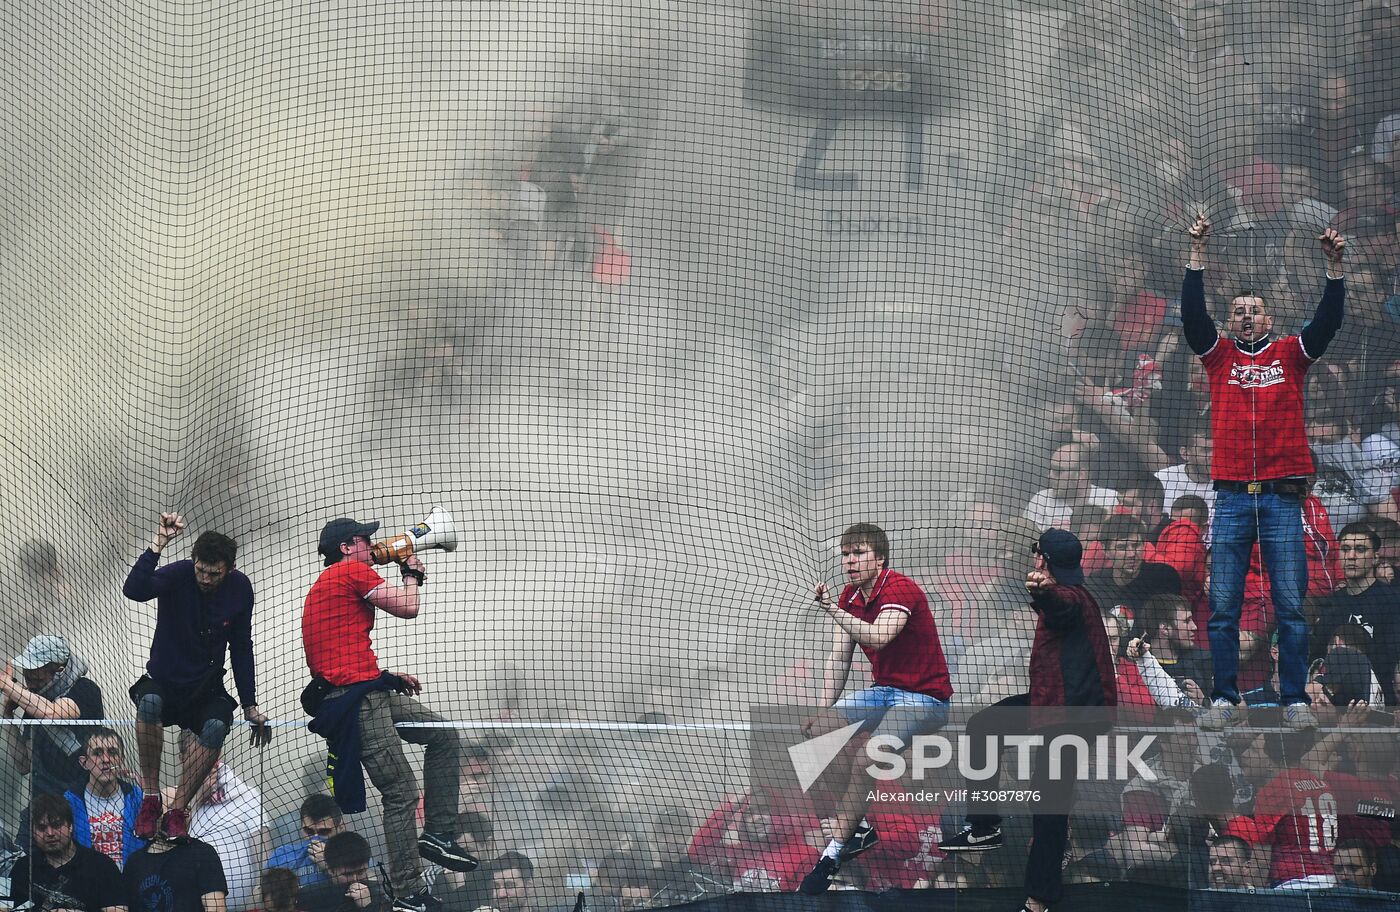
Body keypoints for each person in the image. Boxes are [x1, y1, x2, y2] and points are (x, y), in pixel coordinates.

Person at [1183, 214, 1347, 731]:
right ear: (1230, 322)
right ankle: (1223, 698)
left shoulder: (1290, 355)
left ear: (1270, 318)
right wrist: (1197, 257)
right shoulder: (1218, 357)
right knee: (1225, 606)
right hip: (1231, 499)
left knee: (1290, 604)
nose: (1247, 316)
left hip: (1280, 499)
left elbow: (1327, 323)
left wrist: (1334, 268)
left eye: (1255, 310)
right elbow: (1191, 319)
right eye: (1238, 311)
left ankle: (1295, 699)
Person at [301, 516, 476, 911]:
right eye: (366, 540)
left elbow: (335, 650)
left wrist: (383, 675)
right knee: (400, 793)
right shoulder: (350, 571)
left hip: (364, 688)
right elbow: (408, 608)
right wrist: (411, 574)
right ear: (347, 547)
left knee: (443, 735)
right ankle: (407, 892)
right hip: (357, 699)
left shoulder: (332, 582)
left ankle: (438, 835)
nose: (372, 546)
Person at [938, 529, 1116, 912]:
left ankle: (1038, 901)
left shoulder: (1070, 598)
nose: (1035, 561)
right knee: (984, 726)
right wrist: (1043, 596)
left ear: (1044, 561)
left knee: (1049, 803)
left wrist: (1041, 592)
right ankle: (984, 827)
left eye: (1039, 556)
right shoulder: (1077, 598)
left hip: (1074, 716)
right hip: (1052, 705)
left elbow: (1059, 604)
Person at [797, 522, 952, 893]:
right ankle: (859, 829)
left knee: (867, 757)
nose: (850, 561)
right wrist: (824, 708)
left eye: (859, 553)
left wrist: (831, 610)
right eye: (846, 554)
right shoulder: (850, 598)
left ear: (879, 558)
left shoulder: (901, 589)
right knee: (816, 734)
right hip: (883, 692)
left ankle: (833, 852)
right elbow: (839, 657)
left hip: (924, 698)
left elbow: (879, 637)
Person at [122, 513, 270, 841]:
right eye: (200, 569)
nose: (205, 578)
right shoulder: (178, 575)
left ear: (228, 569)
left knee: (218, 725)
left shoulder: (240, 589)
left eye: (213, 573)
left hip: (205, 688)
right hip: (164, 680)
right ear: (194, 562)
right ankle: (150, 798)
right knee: (148, 702)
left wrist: (250, 705)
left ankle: (178, 811)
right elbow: (134, 591)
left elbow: (241, 647)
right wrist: (158, 543)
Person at [1, 635, 104, 803]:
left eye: (38, 679)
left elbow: (52, 713)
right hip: (44, 801)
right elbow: (23, 764)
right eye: (28, 678)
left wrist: (7, 685)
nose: (32, 685)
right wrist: (7, 714)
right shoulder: (34, 702)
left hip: (85, 796)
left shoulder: (84, 689)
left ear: (60, 670)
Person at [1309, 522, 1400, 706]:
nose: (1351, 556)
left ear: (1375, 558)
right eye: (1345, 549)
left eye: (1360, 550)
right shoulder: (1332, 605)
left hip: (1380, 703)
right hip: (1332, 704)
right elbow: (1317, 657)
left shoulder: (1392, 601)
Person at [5, 793, 126, 911]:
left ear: (70, 826)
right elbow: (3, 907)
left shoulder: (102, 866)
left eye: (56, 825)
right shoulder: (22, 867)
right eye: (42, 828)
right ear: (33, 832)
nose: (50, 833)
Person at [65, 727, 147, 869]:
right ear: (84, 762)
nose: (106, 759)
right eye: (97, 753)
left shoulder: (137, 797)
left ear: (121, 760)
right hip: (89, 881)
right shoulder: (70, 802)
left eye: (112, 752)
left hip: (132, 881)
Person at [1023, 444, 1119, 530]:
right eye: (1051, 469)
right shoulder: (1041, 500)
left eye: (1058, 471)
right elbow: (1029, 544)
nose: (1050, 475)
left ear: (1080, 475)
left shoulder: (1111, 499)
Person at [125, 833, 229, 912]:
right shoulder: (134, 861)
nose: (184, 814)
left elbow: (216, 907)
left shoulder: (201, 852)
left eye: (187, 808)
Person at [264, 793, 350, 888]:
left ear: (340, 828)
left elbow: (362, 888)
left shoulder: (352, 852)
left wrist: (329, 864)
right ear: (301, 828)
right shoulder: (283, 854)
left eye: (324, 831)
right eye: (309, 831)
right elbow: (260, 893)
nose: (315, 838)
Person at [297, 832, 383, 912]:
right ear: (330, 870)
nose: (355, 879)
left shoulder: (378, 894)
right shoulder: (310, 896)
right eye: (347, 874)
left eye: (361, 872)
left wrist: (368, 907)